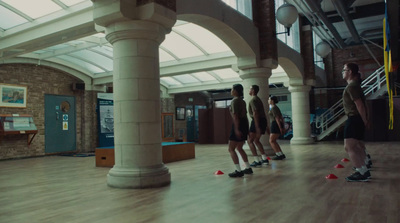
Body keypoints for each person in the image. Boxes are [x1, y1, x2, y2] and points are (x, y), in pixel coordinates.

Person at [342, 62, 371, 182]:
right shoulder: (354, 86)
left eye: (344, 70)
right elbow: (363, 104)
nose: (342, 72)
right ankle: (363, 168)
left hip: (354, 119)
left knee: (349, 147)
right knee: (357, 146)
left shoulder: (352, 86)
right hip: (356, 119)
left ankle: (361, 172)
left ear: (350, 72)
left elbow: (359, 105)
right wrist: (365, 120)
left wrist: (364, 120)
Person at [227, 84, 253, 177]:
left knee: (231, 149)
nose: (231, 90)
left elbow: (235, 116)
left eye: (232, 89)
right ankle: (248, 167)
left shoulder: (234, 101)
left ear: (235, 91)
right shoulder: (242, 101)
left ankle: (238, 170)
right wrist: (247, 129)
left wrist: (236, 129)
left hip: (238, 125)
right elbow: (244, 116)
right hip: (244, 125)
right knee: (239, 148)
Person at [247, 85, 270, 167]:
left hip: (257, 121)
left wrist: (256, 126)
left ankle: (256, 160)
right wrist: (266, 125)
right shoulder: (258, 99)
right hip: (262, 120)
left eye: (249, 89)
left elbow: (255, 112)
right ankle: (264, 158)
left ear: (253, 90)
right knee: (256, 140)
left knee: (250, 141)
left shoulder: (253, 100)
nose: (248, 91)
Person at [268, 95, 286, 160]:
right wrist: (282, 126)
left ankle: (278, 154)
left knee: (271, 141)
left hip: (275, 124)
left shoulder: (273, 108)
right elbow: (281, 118)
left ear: (272, 101)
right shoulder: (276, 107)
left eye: (269, 99)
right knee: (274, 141)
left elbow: (277, 118)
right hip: (276, 124)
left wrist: (280, 127)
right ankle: (280, 154)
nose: (268, 101)